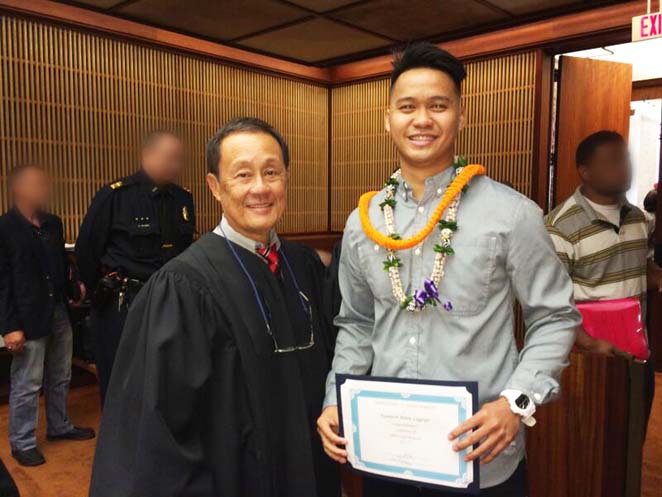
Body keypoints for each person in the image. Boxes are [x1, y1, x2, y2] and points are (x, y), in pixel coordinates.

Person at [316, 42, 580, 497]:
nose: (422, 119)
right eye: (407, 107)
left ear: (461, 116)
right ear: (388, 119)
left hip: (480, 458)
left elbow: (555, 317)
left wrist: (516, 404)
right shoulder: (364, 222)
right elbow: (356, 325)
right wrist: (334, 400)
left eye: (438, 105)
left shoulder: (511, 214)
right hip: (386, 454)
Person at [89, 117, 339, 497]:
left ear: (286, 177)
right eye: (242, 175)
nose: (260, 187)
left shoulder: (303, 267)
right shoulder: (184, 287)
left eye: (271, 172)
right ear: (215, 187)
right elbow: (158, 433)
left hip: (309, 472)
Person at [545, 130, 662, 433]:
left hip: (637, 355)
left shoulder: (639, 219)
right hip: (588, 360)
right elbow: (549, 303)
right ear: (585, 172)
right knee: (592, 448)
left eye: (625, 159)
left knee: (632, 442)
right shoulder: (560, 227)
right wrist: (588, 343)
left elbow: (640, 270)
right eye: (612, 161)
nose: (623, 167)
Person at [76, 130, 195, 404]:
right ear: (147, 155)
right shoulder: (116, 196)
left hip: (170, 301)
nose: (174, 164)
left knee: (167, 379)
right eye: (168, 157)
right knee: (123, 382)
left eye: (178, 159)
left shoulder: (182, 199)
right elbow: (87, 250)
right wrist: (101, 289)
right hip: (124, 302)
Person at [0, 165, 95, 467]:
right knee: (27, 380)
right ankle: (23, 441)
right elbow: (2, 282)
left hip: (58, 310)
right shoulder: (4, 227)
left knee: (60, 374)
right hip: (26, 315)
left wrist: (73, 286)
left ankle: (59, 425)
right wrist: (9, 327)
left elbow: (58, 265)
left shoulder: (53, 224)